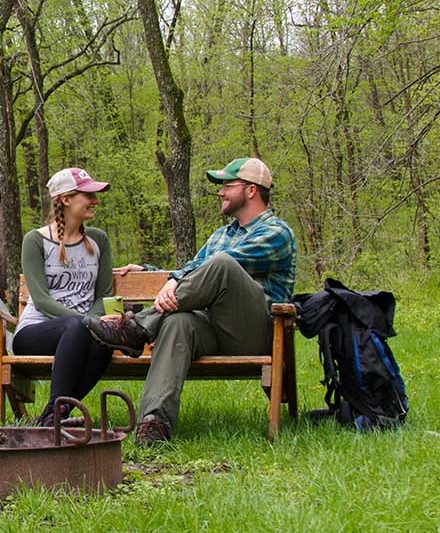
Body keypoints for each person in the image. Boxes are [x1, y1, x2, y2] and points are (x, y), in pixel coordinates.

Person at [85, 157, 297, 445]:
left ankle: (137, 328)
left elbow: (218, 267)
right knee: (178, 321)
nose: (220, 192)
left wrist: (174, 279)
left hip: (254, 332)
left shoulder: (277, 232)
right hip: (213, 326)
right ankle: (154, 423)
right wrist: (152, 273)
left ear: (250, 190)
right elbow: (195, 270)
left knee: (223, 264)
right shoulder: (222, 235)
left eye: (227, 185)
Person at [12, 167, 115, 426]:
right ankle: (53, 415)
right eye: (88, 195)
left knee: (104, 342)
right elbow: (43, 300)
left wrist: (93, 324)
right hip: (36, 331)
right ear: (66, 199)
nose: (95, 200)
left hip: (81, 330)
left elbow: (103, 295)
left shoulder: (98, 240)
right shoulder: (35, 240)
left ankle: (54, 416)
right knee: (76, 326)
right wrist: (89, 323)